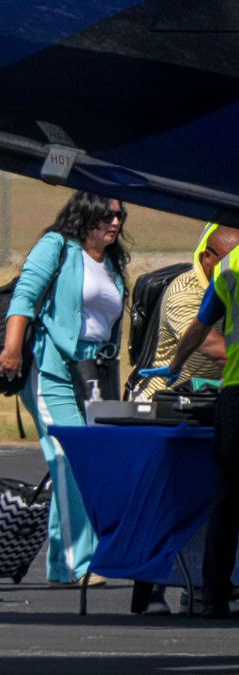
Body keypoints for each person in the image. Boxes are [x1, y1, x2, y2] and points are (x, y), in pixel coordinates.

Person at [0, 191, 129, 588]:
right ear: (85, 214)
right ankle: (77, 563)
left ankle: (62, 562)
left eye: (120, 216)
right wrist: (12, 349)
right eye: (107, 215)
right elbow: (25, 296)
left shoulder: (113, 263)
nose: (116, 223)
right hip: (52, 368)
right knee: (68, 458)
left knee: (84, 462)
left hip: (94, 373)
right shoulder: (56, 246)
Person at [141, 227, 239, 619]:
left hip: (234, 391)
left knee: (227, 497)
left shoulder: (230, 268)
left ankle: (213, 594)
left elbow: (201, 326)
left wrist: (175, 365)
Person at [134, 226, 239, 400]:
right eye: (224, 261)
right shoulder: (184, 293)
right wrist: (175, 366)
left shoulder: (229, 280)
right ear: (207, 257)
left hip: (208, 394)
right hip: (164, 398)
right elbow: (208, 345)